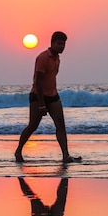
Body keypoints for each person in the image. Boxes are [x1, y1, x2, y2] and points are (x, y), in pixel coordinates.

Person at [14, 31, 81, 163]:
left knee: (61, 125)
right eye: (59, 43)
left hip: (53, 95)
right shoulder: (43, 57)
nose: (62, 46)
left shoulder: (57, 59)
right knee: (33, 126)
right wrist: (41, 104)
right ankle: (18, 151)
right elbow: (38, 80)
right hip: (38, 96)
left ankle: (66, 156)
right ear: (52, 43)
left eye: (64, 44)